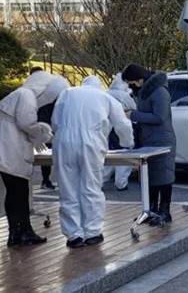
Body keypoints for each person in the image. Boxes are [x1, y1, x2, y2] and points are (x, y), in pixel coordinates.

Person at [52, 75, 133, 248]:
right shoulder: (105, 97)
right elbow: (123, 124)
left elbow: (55, 120)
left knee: (68, 188)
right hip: (92, 142)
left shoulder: (67, 93)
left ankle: (73, 235)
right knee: (91, 187)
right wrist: (128, 143)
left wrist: (60, 134)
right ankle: (92, 232)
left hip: (64, 140)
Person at [0, 70, 55, 246]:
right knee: (20, 193)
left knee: (13, 192)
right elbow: (26, 122)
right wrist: (42, 131)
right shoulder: (27, 95)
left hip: (5, 149)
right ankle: (25, 231)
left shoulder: (19, 93)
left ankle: (15, 233)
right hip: (12, 150)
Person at [122, 64, 176, 226]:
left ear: (139, 79)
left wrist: (134, 115)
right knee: (150, 176)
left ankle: (164, 211)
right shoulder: (144, 92)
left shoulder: (159, 91)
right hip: (149, 140)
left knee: (164, 176)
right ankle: (151, 210)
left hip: (162, 140)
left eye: (132, 82)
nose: (131, 86)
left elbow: (160, 117)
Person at [102, 74, 137, 191]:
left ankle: (101, 180)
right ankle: (121, 183)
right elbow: (134, 108)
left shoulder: (105, 94)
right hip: (122, 128)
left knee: (108, 156)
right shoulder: (125, 96)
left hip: (107, 129)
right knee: (123, 156)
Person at [35, 74, 70, 189]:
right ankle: (50, 180)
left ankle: (46, 179)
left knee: (47, 157)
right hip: (52, 129)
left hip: (46, 128)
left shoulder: (44, 99)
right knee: (55, 156)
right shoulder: (60, 100)